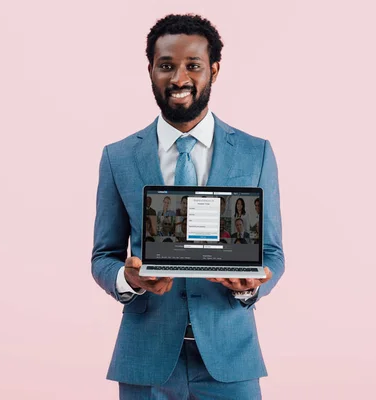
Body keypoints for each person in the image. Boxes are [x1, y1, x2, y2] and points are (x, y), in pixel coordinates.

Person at [91, 14, 285, 399]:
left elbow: (273, 253)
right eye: (166, 66)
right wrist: (129, 279)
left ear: (213, 70)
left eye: (192, 66)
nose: (179, 79)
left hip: (230, 355)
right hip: (146, 357)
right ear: (151, 70)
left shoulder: (255, 153)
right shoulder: (118, 158)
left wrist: (251, 288)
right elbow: (104, 256)